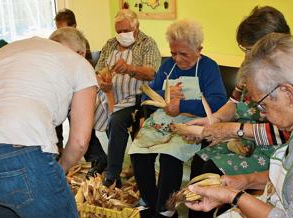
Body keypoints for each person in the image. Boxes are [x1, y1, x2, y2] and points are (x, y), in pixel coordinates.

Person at [0, 27, 97, 218]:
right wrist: (61, 168)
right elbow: (80, 141)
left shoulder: (5, 52)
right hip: (18, 155)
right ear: (81, 53)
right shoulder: (79, 63)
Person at [186, 32, 293, 218]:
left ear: (288, 94)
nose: (261, 113)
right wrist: (245, 180)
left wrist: (233, 197)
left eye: (263, 105)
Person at [182, 7, 292, 217]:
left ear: (272, 46)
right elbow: (233, 102)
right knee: (201, 162)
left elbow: (284, 132)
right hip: (245, 140)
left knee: (212, 171)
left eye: (249, 50)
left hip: (273, 150)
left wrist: (235, 129)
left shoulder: (289, 78)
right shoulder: (249, 67)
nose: (246, 56)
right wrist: (212, 121)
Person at [129, 19, 227, 218]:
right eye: (173, 53)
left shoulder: (208, 67)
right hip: (162, 121)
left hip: (193, 123)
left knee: (169, 157)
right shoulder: (168, 66)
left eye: (184, 54)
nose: (177, 59)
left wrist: (182, 105)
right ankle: (154, 203)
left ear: (199, 49)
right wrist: (165, 92)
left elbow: (218, 102)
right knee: (137, 154)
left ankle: (165, 210)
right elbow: (147, 95)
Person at [94, 9, 161, 187]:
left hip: (136, 101)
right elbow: (98, 70)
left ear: (136, 27)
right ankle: (106, 160)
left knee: (116, 121)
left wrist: (130, 69)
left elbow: (152, 73)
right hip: (110, 97)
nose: (122, 35)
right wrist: (102, 82)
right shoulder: (110, 44)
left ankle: (112, 173)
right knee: (85, 112)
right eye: (118, 31)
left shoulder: (147, 44)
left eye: (125, 30)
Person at [53, 9, 104, 177]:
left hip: (76, 91)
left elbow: (84, 72)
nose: (61, 33)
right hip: (59, 93)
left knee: (81, 125)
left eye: (64, 28)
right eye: (58, 29)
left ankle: (97, 158)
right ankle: (57, 150)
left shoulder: (80, 45)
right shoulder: (57, 46)